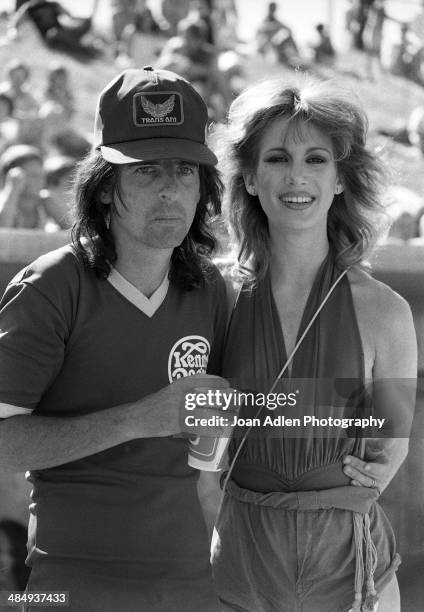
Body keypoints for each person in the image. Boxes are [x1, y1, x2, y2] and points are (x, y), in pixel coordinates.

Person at [0, 66, 231, 611]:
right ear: (105, 189)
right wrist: (135, 419)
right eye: (146, 170)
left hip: (196, 585)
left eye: (185, 169)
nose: (171, 189)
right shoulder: (51, 285)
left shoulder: (212, 288)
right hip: (72, 582)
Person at [211, 77, 417, 611]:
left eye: (316, 159)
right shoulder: (215, 297)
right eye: (277, 158)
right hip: (240, 565)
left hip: (351, 575)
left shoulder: (385, 311)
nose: (296, 176)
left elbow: (390, 447)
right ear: (251, 178)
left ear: (341, 179)